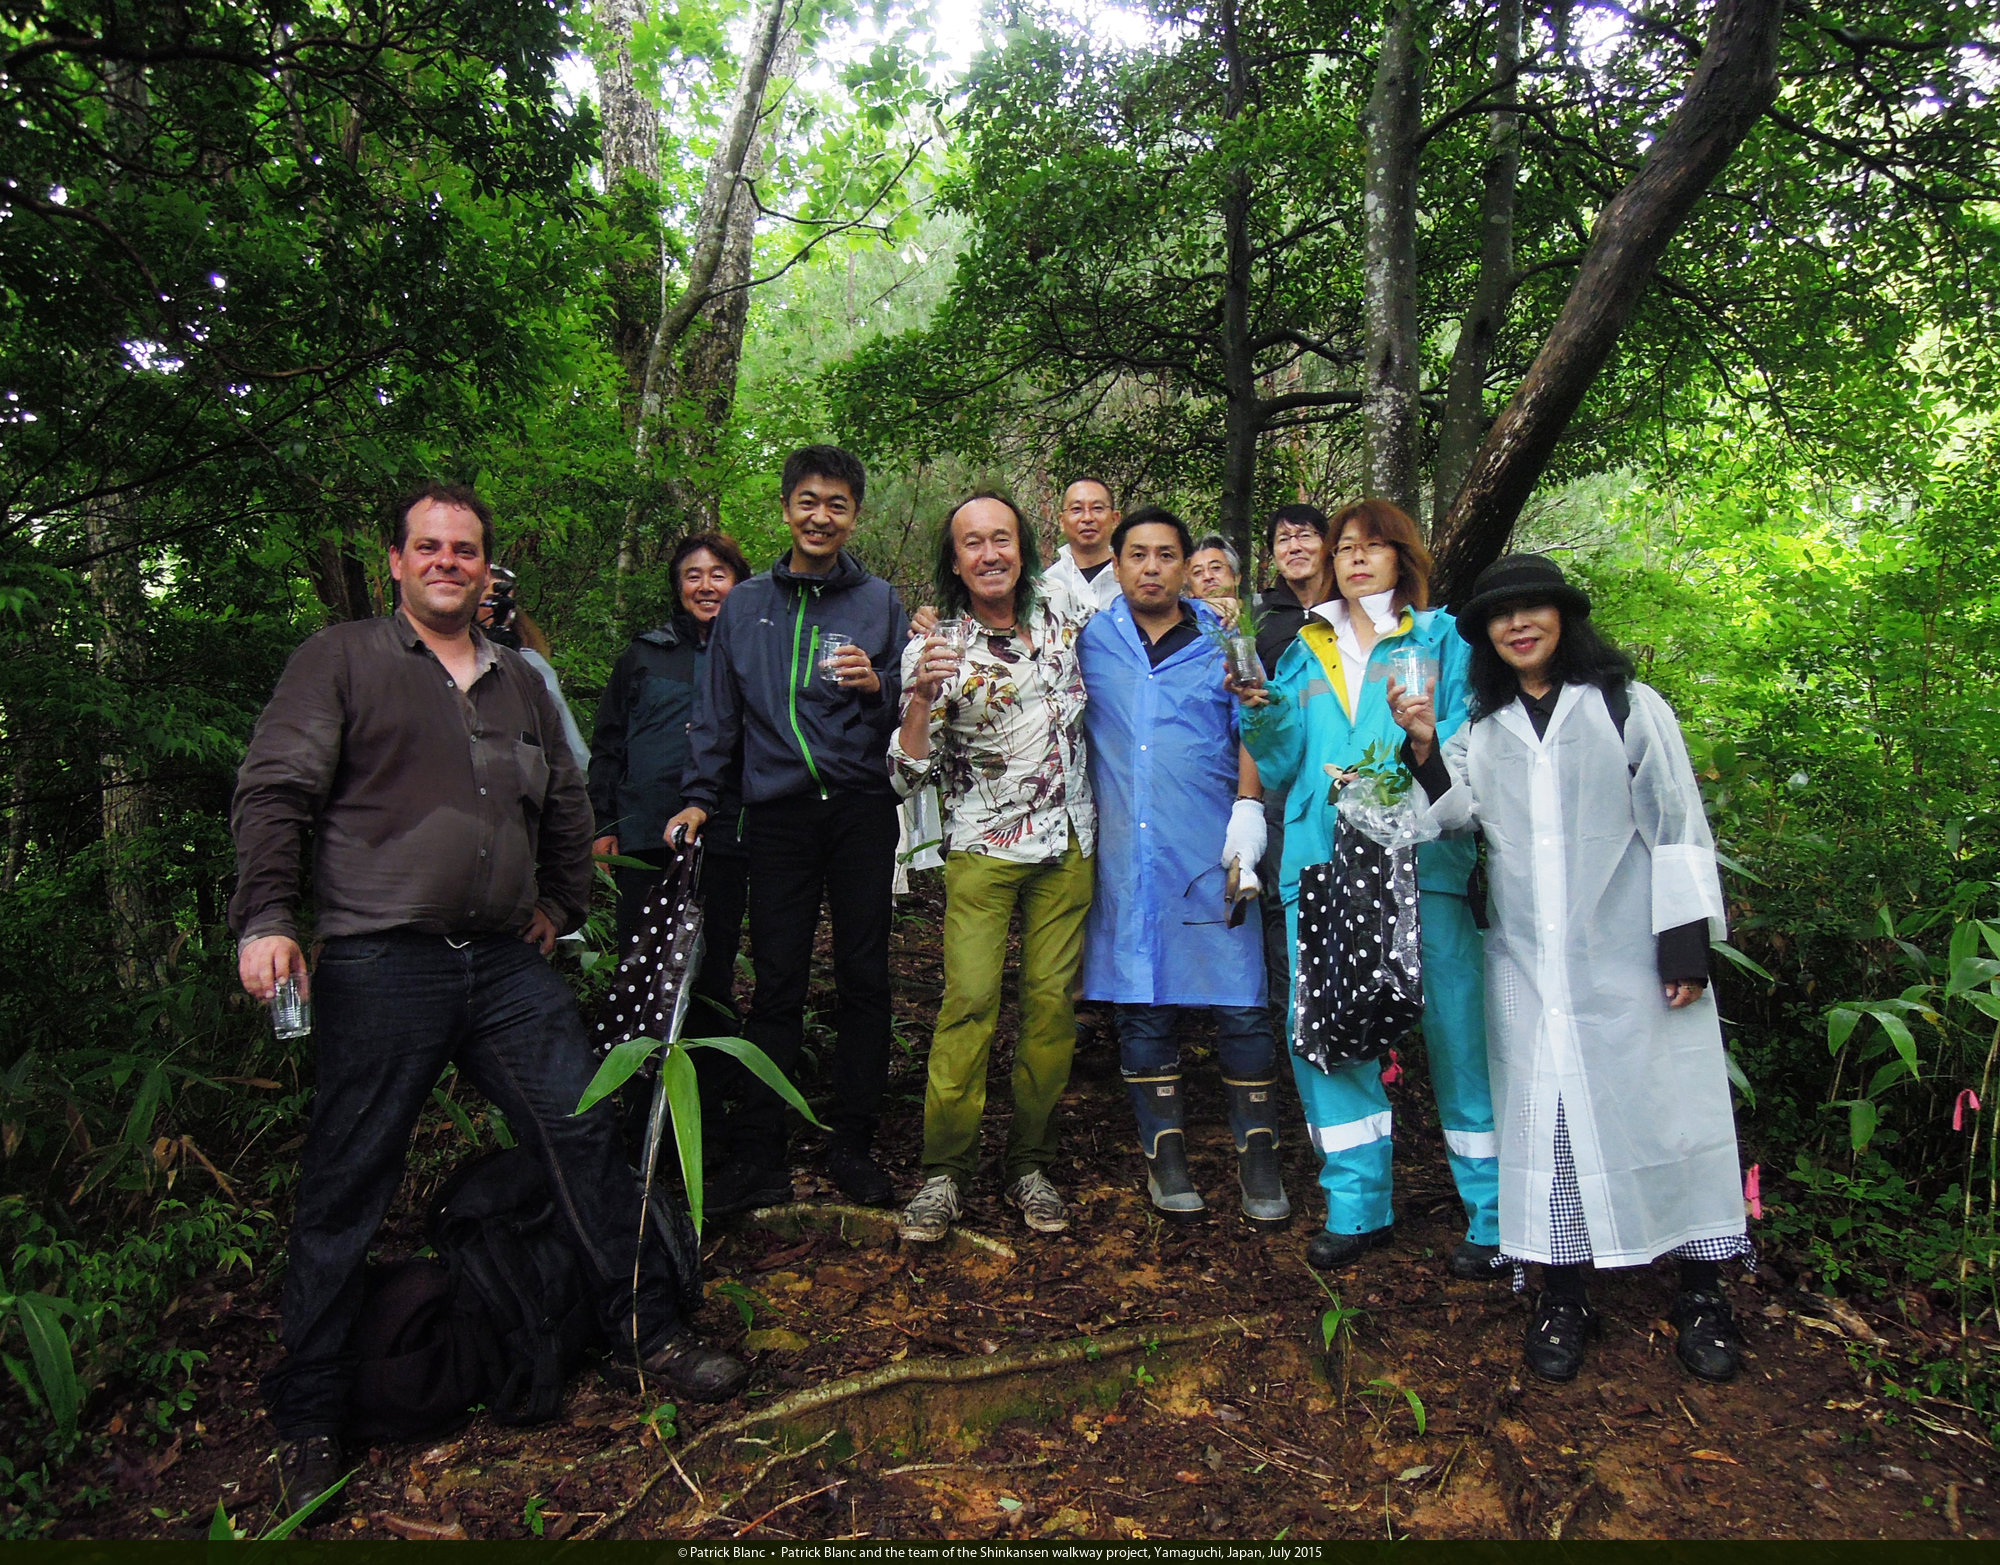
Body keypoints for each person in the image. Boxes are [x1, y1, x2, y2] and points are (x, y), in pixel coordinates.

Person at [231, 484, 744, 1519]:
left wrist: (560, 901)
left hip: (506, 963)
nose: (447, 562)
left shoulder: (518, 680)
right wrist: (267, 917)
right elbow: (276, 787)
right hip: (383, 956)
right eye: (428, 546)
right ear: (396, 560)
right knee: (348, 1173)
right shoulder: (341, 659)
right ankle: (311, 1409)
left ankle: (646, 1328)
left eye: (464, 549)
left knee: (583, 1127)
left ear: (487, 568)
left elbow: (566, 799)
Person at [1392, 552, 1749, 1384]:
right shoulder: (1483, 727)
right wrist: (1423, 745)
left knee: (1670, 1110)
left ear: (1564, 618)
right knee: (1546, 1124)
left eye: (1533, 609)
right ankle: (1562, 1294)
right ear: (1485, 634)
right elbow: (1449, 814)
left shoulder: (1627, 706)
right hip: (1528, 962)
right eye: (1500, 614)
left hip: (1631, 952)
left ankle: (1702, 1292)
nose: (1518, 624)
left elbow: (1677, 822)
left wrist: (1685, 944)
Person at [1234, 499, 1499, 1277]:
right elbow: (1282, 763)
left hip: (1422, 861)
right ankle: (1357, 1205)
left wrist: (1422, 744)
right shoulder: (1303, 648)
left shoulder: (1443, 638)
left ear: (1402, 557)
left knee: (1459, 1034)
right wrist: (1260, 714)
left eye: (1373, 546)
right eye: (1345, 545)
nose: (1355, 557)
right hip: (1321, 861)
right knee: (1329, 1033)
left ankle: (1493, 1212)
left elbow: (1472, 744)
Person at [668, 446, 910, 1215]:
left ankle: (853, 1143)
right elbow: (717, 710)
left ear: (854, 515)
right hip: (776, 814)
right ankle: (760, 1151)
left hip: (862, 808)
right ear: (785, 508)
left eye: (837, 504)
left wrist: (878, 686)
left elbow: (909, 707)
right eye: (808, 501)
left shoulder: (878, 601)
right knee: (776, 983)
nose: (821, 516)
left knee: (864, 976)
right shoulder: (746, 606)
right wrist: (700, 797)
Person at [888, 495, 1094, 1243]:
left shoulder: (1067, 614)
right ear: (955, 562)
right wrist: (920, 696)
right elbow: (905, 774)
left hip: (1068, 842)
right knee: (969, 1002)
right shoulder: (935, 645)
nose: (989, 554)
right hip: (982, 847)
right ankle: (945, 1171)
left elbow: (1143, 616)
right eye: (972, 543)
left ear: (1022, 547)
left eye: (1000, 539)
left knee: (1051, 1008)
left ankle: (1030, 1163)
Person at [1079, 506, 1290, 1228]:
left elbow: (1254, 720)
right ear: (1116, 564)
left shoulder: (1226, 638)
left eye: (1166, 555)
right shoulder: (1089, 638)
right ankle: (1163, 1152)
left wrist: (1249, 810)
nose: (1151, 568)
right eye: (1136, 554)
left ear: (1185, 565)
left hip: (1210, 845)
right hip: (1127, 854)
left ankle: (1258, 1152)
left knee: (1241, 999)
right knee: (1142, 997)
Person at [589, 532, 753, 1039]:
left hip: (723, 836)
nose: (706, 586)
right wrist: (604, 824)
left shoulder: (754, 656)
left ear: (739, 584)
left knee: (713, 965)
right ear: (677, 586)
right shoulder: (644, 655)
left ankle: (708, 1075)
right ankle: (640, 1071)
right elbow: (609, 743)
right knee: (640, 960)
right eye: (692, 575)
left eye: (718, 575)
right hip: (645, 834)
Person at [1246, 504, 1336, 1034]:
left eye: (1305, 536)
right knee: (1285, 898)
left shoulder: (1349, 606)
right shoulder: (1260, 617)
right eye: (1283, 540)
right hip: (1282, 780)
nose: (1295, 547)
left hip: (1344, 775)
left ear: (1328, 544)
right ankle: (1293, 1019)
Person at [478, 565, 592, 768]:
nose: (497, 609)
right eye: (490, 600)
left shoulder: (530, 664)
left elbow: (565, 740)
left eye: (505, 603)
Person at [1040, 477, 1123, 617]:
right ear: (1062, 521)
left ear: (1115, 519)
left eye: (1097, 508)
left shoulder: (1132, 579)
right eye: (1076, 509)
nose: (1087, 518)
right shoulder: (1047, 586)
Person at [1188, 533, 1242, 623]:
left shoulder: (1260, 614)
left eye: (1216, 568)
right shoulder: (1183, 623)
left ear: (1236, 577)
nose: (1208, 576)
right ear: (1189, 591)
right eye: (1197, 572)